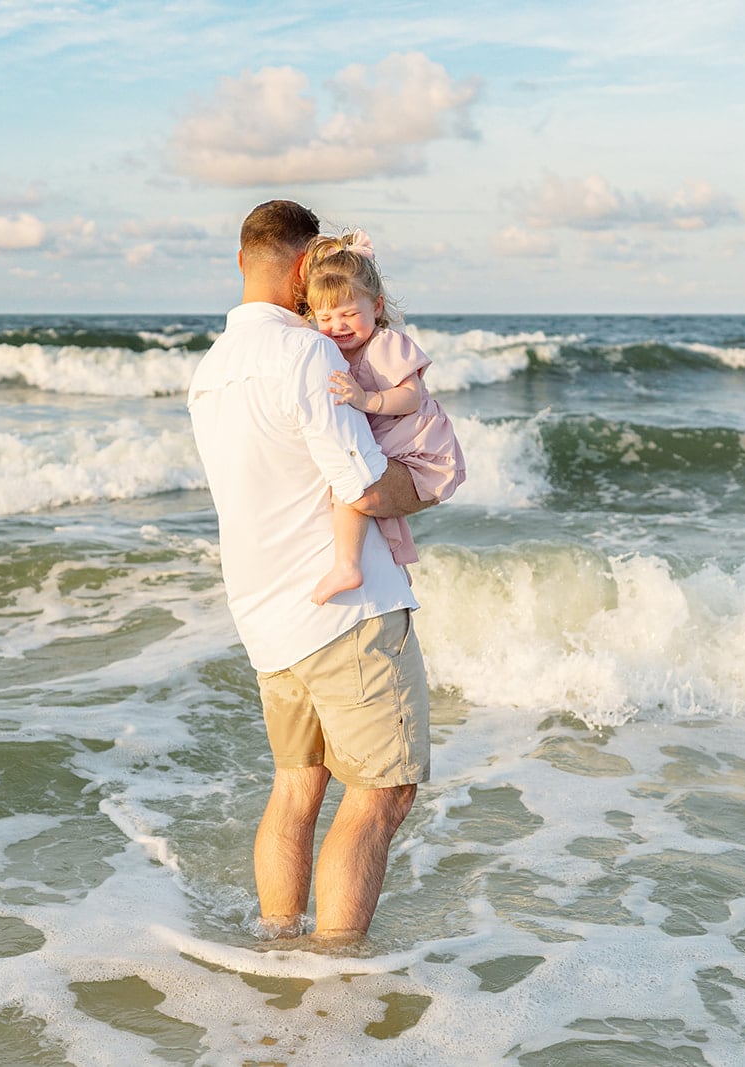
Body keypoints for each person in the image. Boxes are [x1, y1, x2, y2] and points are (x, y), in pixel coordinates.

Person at [187, 200, 435, 944]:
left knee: (297, 786)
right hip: (345, 616)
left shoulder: (208, 371)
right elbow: (361, 483)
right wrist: (429, 482)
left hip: (267, 623)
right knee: (383, 791)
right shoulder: (308, 354)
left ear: (242, 261)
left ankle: (278, 951)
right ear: (304, 268)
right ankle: (333, 983)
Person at [301, 230, 466, 605]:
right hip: (396, 441)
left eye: (349, 314)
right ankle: (392, 566)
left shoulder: (385, 344)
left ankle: (347, 566)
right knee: (357, 475)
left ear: (376, 307)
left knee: (350, 476)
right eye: (325, 317)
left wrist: (366, 399)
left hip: (420, 445)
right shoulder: (334, 348)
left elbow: (411, 396)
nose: (338, 326)